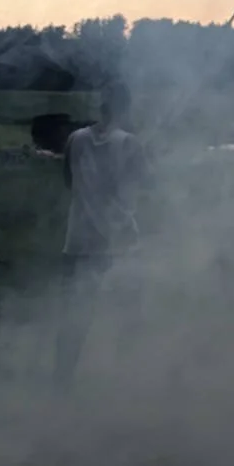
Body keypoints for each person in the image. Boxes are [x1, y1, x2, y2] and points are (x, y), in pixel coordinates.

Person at [54, 80, 149, 387]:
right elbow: (140, 188)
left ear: (102, 105)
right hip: (118, 244)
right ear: (126, 107)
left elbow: (69, 181)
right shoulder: (130, 144)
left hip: (77, 241)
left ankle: (61, 382)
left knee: (75, 317)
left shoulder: (75, 139)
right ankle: (123, 381)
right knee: (129, 315)